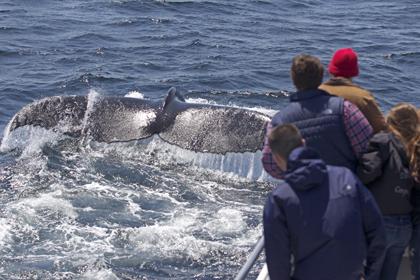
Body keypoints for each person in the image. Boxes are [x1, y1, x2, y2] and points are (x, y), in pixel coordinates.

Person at [263, 123, 386, 280]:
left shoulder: (278, 199)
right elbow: (377, 232)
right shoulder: (346, 177)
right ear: (303, 143)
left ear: (276, 157)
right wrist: (370, 275)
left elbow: (278, 261)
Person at [262, 54, 373, 179]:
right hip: (344, 188)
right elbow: (368, 148)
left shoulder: (279, 120)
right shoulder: (345, 109)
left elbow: (270, 163)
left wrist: (294, 176)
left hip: (303, 191)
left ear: (293, 79)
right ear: (321, 77)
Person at [357, 103, 420, 280]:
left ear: (390, 122)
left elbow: (367, 172)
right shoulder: (414, 149)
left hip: (381, 222)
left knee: (370, 274)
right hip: (404, 228)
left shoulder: (383, 141)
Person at [319, 48, 386, 133]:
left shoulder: (317, 92)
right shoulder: (363, 98)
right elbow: (381, 128)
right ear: (355, 71)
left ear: (331, 69)